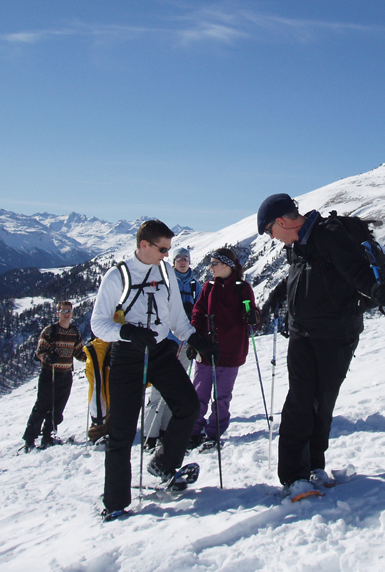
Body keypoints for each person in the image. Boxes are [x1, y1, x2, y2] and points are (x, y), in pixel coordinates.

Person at [256, 193, 385, 493]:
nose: (272, 238)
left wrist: (376, 289)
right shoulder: (298, 245)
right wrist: (278, 295)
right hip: (301, 333)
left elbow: (355, 269)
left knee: (322, 401)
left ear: (281, 221)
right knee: (300, 401)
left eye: (269, 231)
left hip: (336, 334)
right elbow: (301, 275)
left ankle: (315, 464)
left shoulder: (329, 234)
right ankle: (294, 476)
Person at [90, 219, 218, 518]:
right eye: (162, 249)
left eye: (169, 249)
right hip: (128, 355)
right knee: (122, 431)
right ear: (144, 245)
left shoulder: (165, 272)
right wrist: (127, 333)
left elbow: (176, 318)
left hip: (160, 350)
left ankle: (163, 464)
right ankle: (115, 503)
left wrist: (197, 340)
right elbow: (98, 323)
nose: (166, 254)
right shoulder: (117, 275)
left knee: (187, 405)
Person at [188, 248, 260, 451]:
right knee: (199, 394)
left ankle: (214, 433)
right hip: (206, 350)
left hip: (230, 352)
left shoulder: (242, 288)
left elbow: (250, 311)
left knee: (222, 397)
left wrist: (253, 315)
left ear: (227, 265)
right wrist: (194, 339)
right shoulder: (208, 287)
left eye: (214, 263)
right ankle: (194, 432)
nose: (210, 267)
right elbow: (198, 313)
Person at [142, 247, 202, 451]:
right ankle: (150, 434)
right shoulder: (166, 281)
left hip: (186, 343)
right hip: (166, 341)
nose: (182, 262)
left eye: (186, 259)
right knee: (159, 389)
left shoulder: (195, 285)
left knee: (176, 388)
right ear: (174, 262)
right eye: (179, 259)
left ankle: (165, 431)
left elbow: (201, 311)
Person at [21, 301, 87, 451]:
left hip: (66, 375)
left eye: (68, 311)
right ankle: (30, 439)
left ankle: (47, 437)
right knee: (42, 406)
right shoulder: (50, 331)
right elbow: (40, 351)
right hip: (49, 374)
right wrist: (47, 357)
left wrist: (92, 357)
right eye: (63, 311)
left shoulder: (74, 332)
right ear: (58, 314)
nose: (66, 314)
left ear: (72, 313)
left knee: (57, 409)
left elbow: (78, 352)